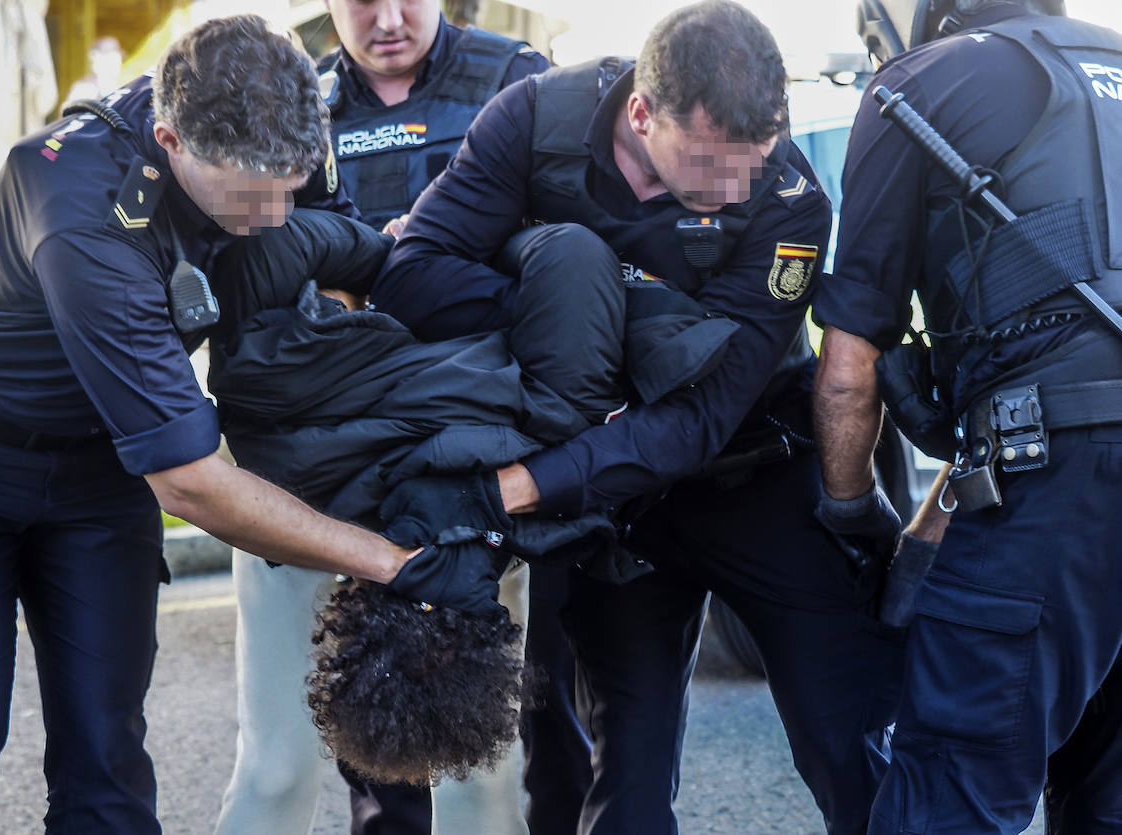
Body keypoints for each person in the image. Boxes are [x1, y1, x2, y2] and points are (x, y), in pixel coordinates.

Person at [0, 16, 501, 834]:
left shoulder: (285, 120)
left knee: (107, 751)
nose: (276, 211)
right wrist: (387, 562)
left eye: (291, 182)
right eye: (251, 193)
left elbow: (330, 257)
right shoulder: (82, 214)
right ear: (170, 139)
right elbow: (191, 480)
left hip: (97, 460)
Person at [373, 1, 907, 832]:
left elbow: (699, 415)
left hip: (750, 468)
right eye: (707, 165)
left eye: (752, 162)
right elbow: (411, 277)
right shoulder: (535, 121)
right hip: (608, 505)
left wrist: (524, 481)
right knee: (624, 776)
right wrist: (568, 305)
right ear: (640, 113)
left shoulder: (790, 199)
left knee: (849, 742)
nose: (734, 189)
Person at [211, 2, 565, 833]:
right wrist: (364, 274)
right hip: (309, 467)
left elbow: (560, 259)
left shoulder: (515, 79)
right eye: (362, 0)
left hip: (465, 464)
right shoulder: (285, 92)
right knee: (280, 765)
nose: (390, 18)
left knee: (481, 768)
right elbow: (248, 269)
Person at [814, 0, 1122, 830]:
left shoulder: (918, 86)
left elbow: (850, 364)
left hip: (1051, 491)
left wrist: (851, 513)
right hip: (1063, 461)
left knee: (950, 794)